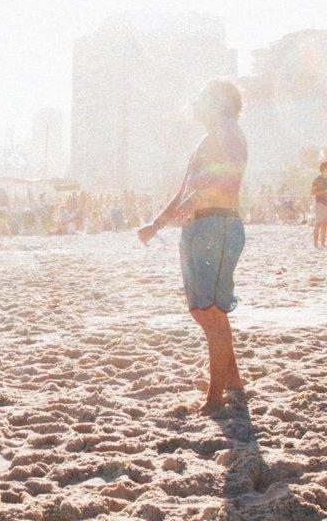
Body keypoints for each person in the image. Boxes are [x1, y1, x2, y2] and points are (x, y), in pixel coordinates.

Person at [138, 79, 248, 415]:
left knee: (213, 312)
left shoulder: (229, 131)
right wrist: (156, 224)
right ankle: (233, 382)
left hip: (218, 225)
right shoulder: (207, 138)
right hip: (199, 227)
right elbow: (184, 188)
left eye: (202, 97)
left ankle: (215, 397)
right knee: (203, 310)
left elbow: (229, 176)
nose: (196, 103)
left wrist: (195, 198)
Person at [312, 162, 327, 249]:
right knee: (318, 223)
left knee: (325, 224)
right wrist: (324, 191)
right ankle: (315, 244)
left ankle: (323, 244)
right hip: (319, 203)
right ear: (324, 169)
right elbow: (312, 192)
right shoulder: (317, 179)